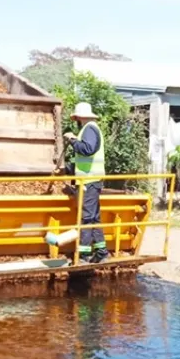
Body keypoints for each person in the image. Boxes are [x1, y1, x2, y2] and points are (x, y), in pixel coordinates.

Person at [64, 102, 110, 264]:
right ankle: (101, 252)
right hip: (91, 180)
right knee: (94, 217)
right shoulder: (90, 128)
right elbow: (84, 160)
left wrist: (72, 140)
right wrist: (68, 168)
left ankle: (83, 255)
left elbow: (87, 149)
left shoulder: (89, 129)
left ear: (78, 117)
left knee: (87, 218)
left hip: (89, 181)